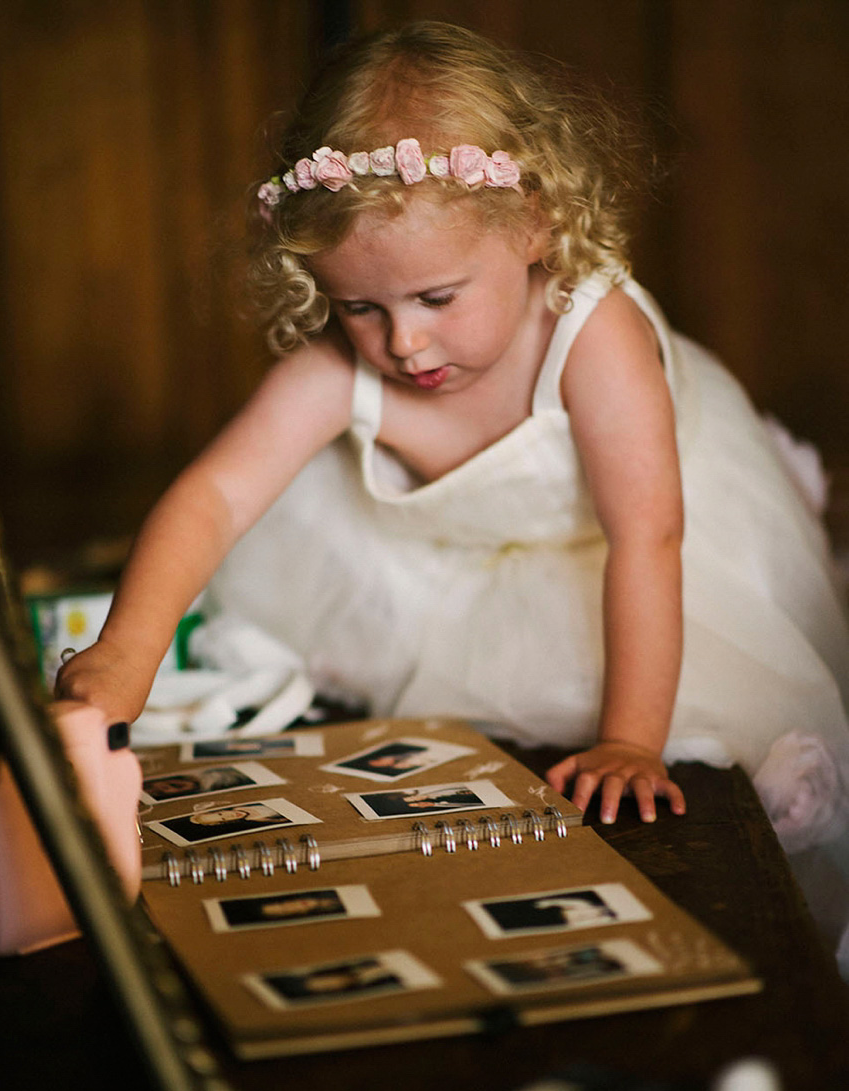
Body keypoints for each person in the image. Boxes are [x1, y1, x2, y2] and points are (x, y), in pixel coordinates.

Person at [57, 21, 849, 853]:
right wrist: (126, 653)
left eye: (436, 299)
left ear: (534, 225)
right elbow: (213, 499)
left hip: (638, 544)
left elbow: (646, 536)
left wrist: (628, 741)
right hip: (453, 550)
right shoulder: (339, 368)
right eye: (361, 307)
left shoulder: (592, 334)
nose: (403, 343)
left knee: (713, 727)